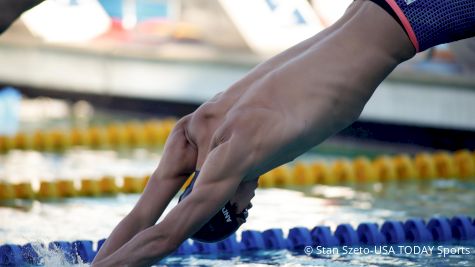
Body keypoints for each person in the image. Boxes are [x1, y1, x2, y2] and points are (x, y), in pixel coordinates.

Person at [1, 0, 474, 266]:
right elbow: (139, 216)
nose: (252, 202)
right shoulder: (192, 133)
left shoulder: (237, 154)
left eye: (243, 213)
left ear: (223, 202)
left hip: (412, 18)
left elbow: (161, 236)